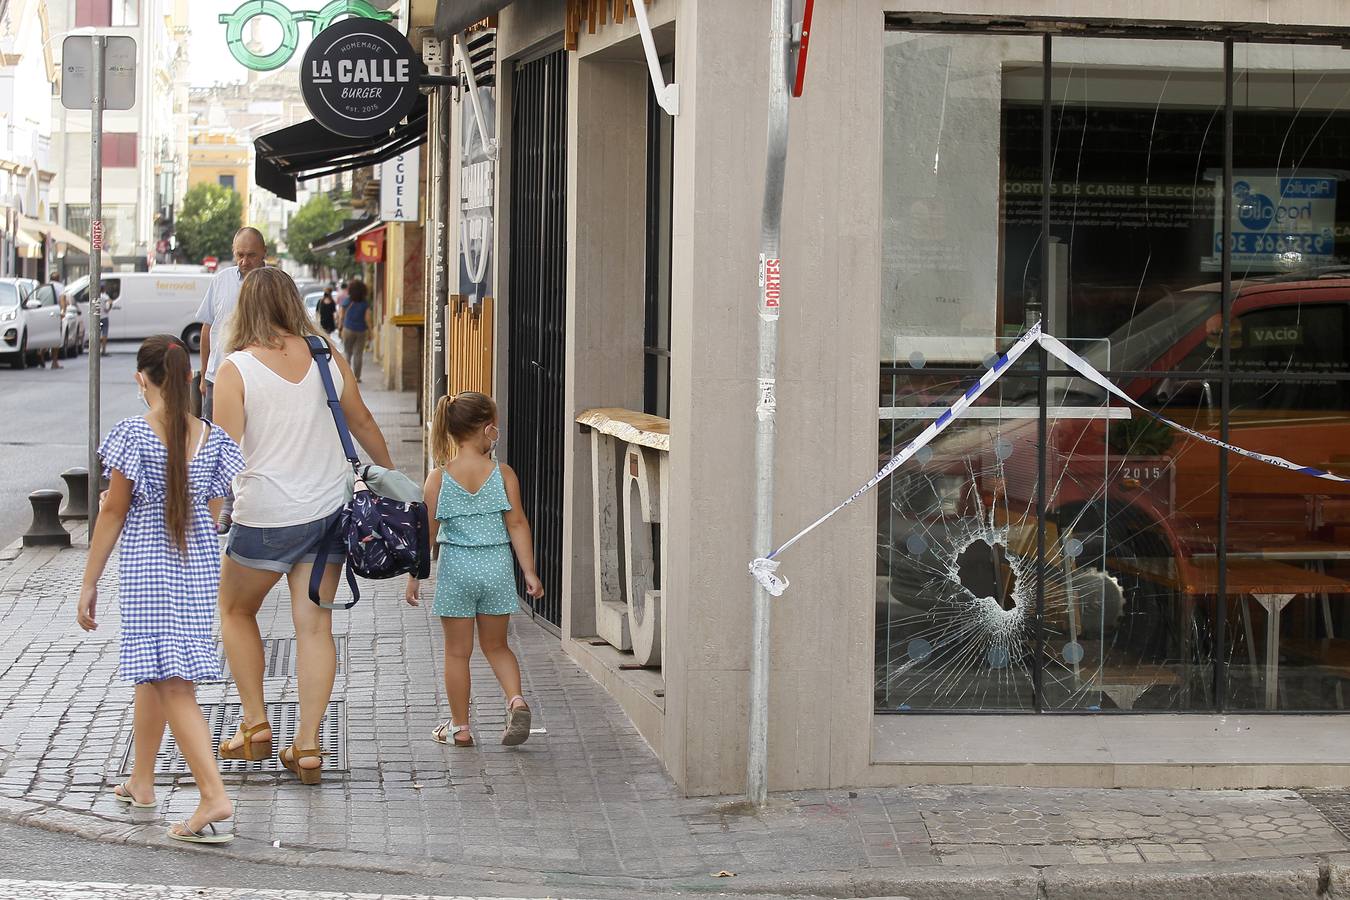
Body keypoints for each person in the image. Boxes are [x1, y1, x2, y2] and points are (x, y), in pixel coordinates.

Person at [212, 267, 394, 785]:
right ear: (294, 303)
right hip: (327, 513)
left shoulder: (236, 369)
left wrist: (206, 514)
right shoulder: (326, 355)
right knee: (314, 625)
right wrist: (391, 478)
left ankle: (256, 723)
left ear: (244, 309)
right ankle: (309, 744)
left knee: (234, 609)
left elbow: (224, 455)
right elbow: (361, 423)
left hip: (264, 515)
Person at [76, 335, 246, 844]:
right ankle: (142, 781)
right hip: (196, 572)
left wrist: (88, 583)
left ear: (142, 380)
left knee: (172, 684)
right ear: (192, 378)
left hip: (151, 571)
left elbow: (112, 511)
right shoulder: (213, 439)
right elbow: (216, 513)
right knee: (159, 674)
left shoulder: (134, 434)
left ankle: (214, 797)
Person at [406, 392, 541, 749]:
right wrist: (529, 571)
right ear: (487, 429)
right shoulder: (503, 474)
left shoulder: (438, 478)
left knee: (456, 653)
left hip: (456, 569)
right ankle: (516, 700)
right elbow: (517, 523)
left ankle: (459, 728)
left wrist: (416, 574)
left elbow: (428, 532)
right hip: (496, 566)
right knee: (497, 646)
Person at [196, 227, 266, 420]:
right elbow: (207, 329)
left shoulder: (276, 285)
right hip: (217, 377)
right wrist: (203, 375)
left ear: (264, 252)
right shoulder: (220, 280)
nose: (244, 261)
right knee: (212, 439)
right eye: (239, 255)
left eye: (251, 255)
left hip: (260, 379)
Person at [339, 279, 372, 383]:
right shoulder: (364, 303)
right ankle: (357, 377)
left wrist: (340, 327)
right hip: (361, 330)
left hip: (348, 329)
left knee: (347, 353)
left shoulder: (347, 301)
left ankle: (346, 376)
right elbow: (367, 318)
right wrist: (370, 330)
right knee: (358, 354)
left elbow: (341, 315)